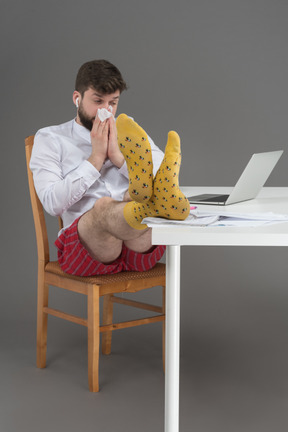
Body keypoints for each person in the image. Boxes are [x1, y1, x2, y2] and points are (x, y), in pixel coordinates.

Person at [30, 59, 190, 277]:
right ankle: (148, 207)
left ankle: (142, 206)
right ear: (77, 99)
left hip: (139, 250)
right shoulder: (50, 138)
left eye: (113, 103)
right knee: (105, 205)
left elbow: (163, 176)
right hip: (87, 253)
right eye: (98, 101)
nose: (106, 111)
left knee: (134, 194)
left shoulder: (127, 130)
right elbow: (52, 203)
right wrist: (95, 159)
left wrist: (119, 158)